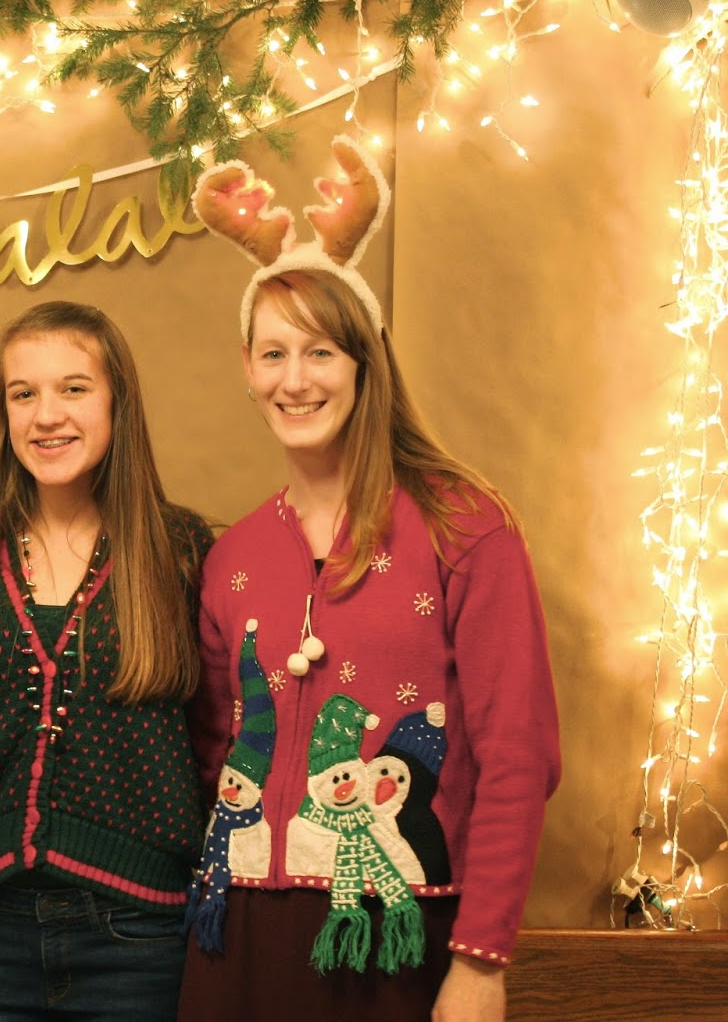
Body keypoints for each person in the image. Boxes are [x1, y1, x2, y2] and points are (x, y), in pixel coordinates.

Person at [180, 138, 560, 1022]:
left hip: (398, 932)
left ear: (365, 362)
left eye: (319, 353)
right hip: (238, 939)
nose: (295, 380)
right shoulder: (233, 558)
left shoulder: (465, 528)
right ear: (247, 371)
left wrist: (482, 959)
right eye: (273, 354)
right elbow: (212, 750)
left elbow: (518, 752)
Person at [0, 300, 213, 1020]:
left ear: (118, 402)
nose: (46, 415)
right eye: (23, 394)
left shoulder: (181, 551)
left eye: (74, 388)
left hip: (137, 932)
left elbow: (218, 740)